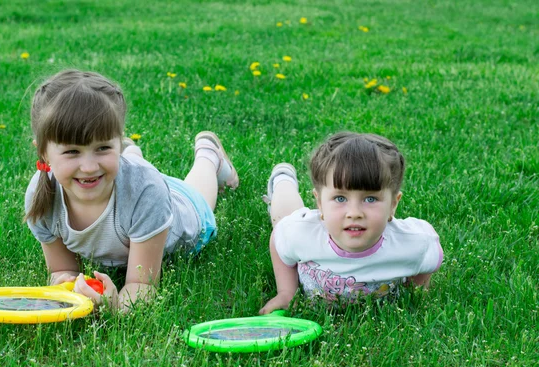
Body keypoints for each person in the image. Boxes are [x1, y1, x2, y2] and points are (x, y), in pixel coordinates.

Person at [24, 69, 239, 311]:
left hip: (179, 208)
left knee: (198, 192)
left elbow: (142, 285)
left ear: (117, 138)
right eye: (72, 152)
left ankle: (209, 155)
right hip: (127, 182)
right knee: (122, 173)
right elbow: (63, 269)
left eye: (103, 147)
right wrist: (65, 284)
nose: (88, 166)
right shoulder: (41, 195)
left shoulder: (147, 192)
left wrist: (114, 307)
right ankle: (129, 154)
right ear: (43, 152)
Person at [259, 132, 442, 314]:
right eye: (340, 198)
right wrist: (286, 292)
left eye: (370, 199)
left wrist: (416, 291)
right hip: (297, 221)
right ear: (320, 203)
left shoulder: (411, 243)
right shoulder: (299, 233)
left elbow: (428, 253)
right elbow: (278, 238)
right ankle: (283, 179)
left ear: (393, 204)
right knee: (284, 216)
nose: (354, 213)